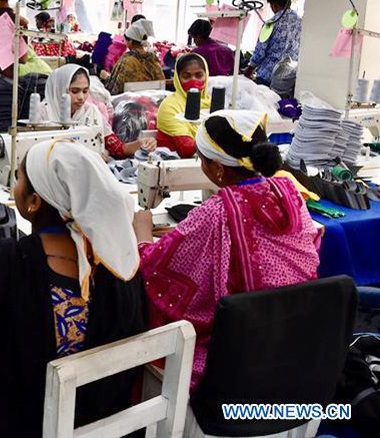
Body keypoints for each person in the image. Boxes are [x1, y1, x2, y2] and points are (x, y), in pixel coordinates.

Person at [0, 140, 146, 437]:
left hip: (29, 423)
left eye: (18, 178)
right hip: (100, 421)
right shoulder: (120, 267)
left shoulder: (8, 265)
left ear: (34, 202)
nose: (14, 185)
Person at [134, 110, 320, 390]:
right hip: (294, 343)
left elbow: (153, 268)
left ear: (218, 168)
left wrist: (142, 231)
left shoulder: (215, 213)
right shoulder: (289, 194)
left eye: (202, 160)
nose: (201, 165)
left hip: (234, 359)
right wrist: (186, 234)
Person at [41, 65, 157, 159]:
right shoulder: (43, 114)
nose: (81, 97)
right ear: (59, 89)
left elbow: (117, 148)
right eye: (75, 91)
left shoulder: (91, 112)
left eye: (85, 91)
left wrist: (141, 143)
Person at [156, 53, 211, 158]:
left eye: (199, 75)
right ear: (178, 78)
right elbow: (186, 148)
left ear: (206, 75)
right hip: (175, 162)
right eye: (186, 76)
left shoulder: (211, 103)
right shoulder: (169, 106)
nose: (193, 80)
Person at [245, 0, 302, 86]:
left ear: (274, 5)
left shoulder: (270, 24)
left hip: (268, 78)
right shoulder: (301, 22)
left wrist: (248, 70)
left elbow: (259, 53)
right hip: (289, 79)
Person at [101, 18, 165, 94]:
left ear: (130, 41)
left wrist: (106, 78)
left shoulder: (127, 61)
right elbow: (161, 84)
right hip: (153, 99)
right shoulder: (153, 59)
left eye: (125, 40)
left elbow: (115, 89)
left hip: (129, 100)